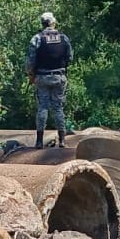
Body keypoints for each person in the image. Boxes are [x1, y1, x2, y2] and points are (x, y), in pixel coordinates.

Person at [25, 11, 73, 149]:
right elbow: (70, 58)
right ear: (53, 22)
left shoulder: (37, 38)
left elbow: (30, 61)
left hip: (42, 77)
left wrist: (30, 75)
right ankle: (62, 140)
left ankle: (39, 141)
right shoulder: (64, 38)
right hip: (59, 77)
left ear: (42, 23)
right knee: (58, 108)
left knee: (43, 108)